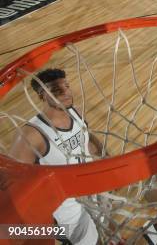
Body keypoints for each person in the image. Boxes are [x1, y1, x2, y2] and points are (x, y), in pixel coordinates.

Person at [9, 68, 103, 244]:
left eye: (67, 86)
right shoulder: (31, 135)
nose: (66, 92)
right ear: (41, 95)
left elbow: (86, 138)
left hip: (93, 190)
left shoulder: (76, 112)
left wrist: (104, 155)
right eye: (56, 90)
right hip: (66, 208)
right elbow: (13, 184)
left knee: (104, 229)